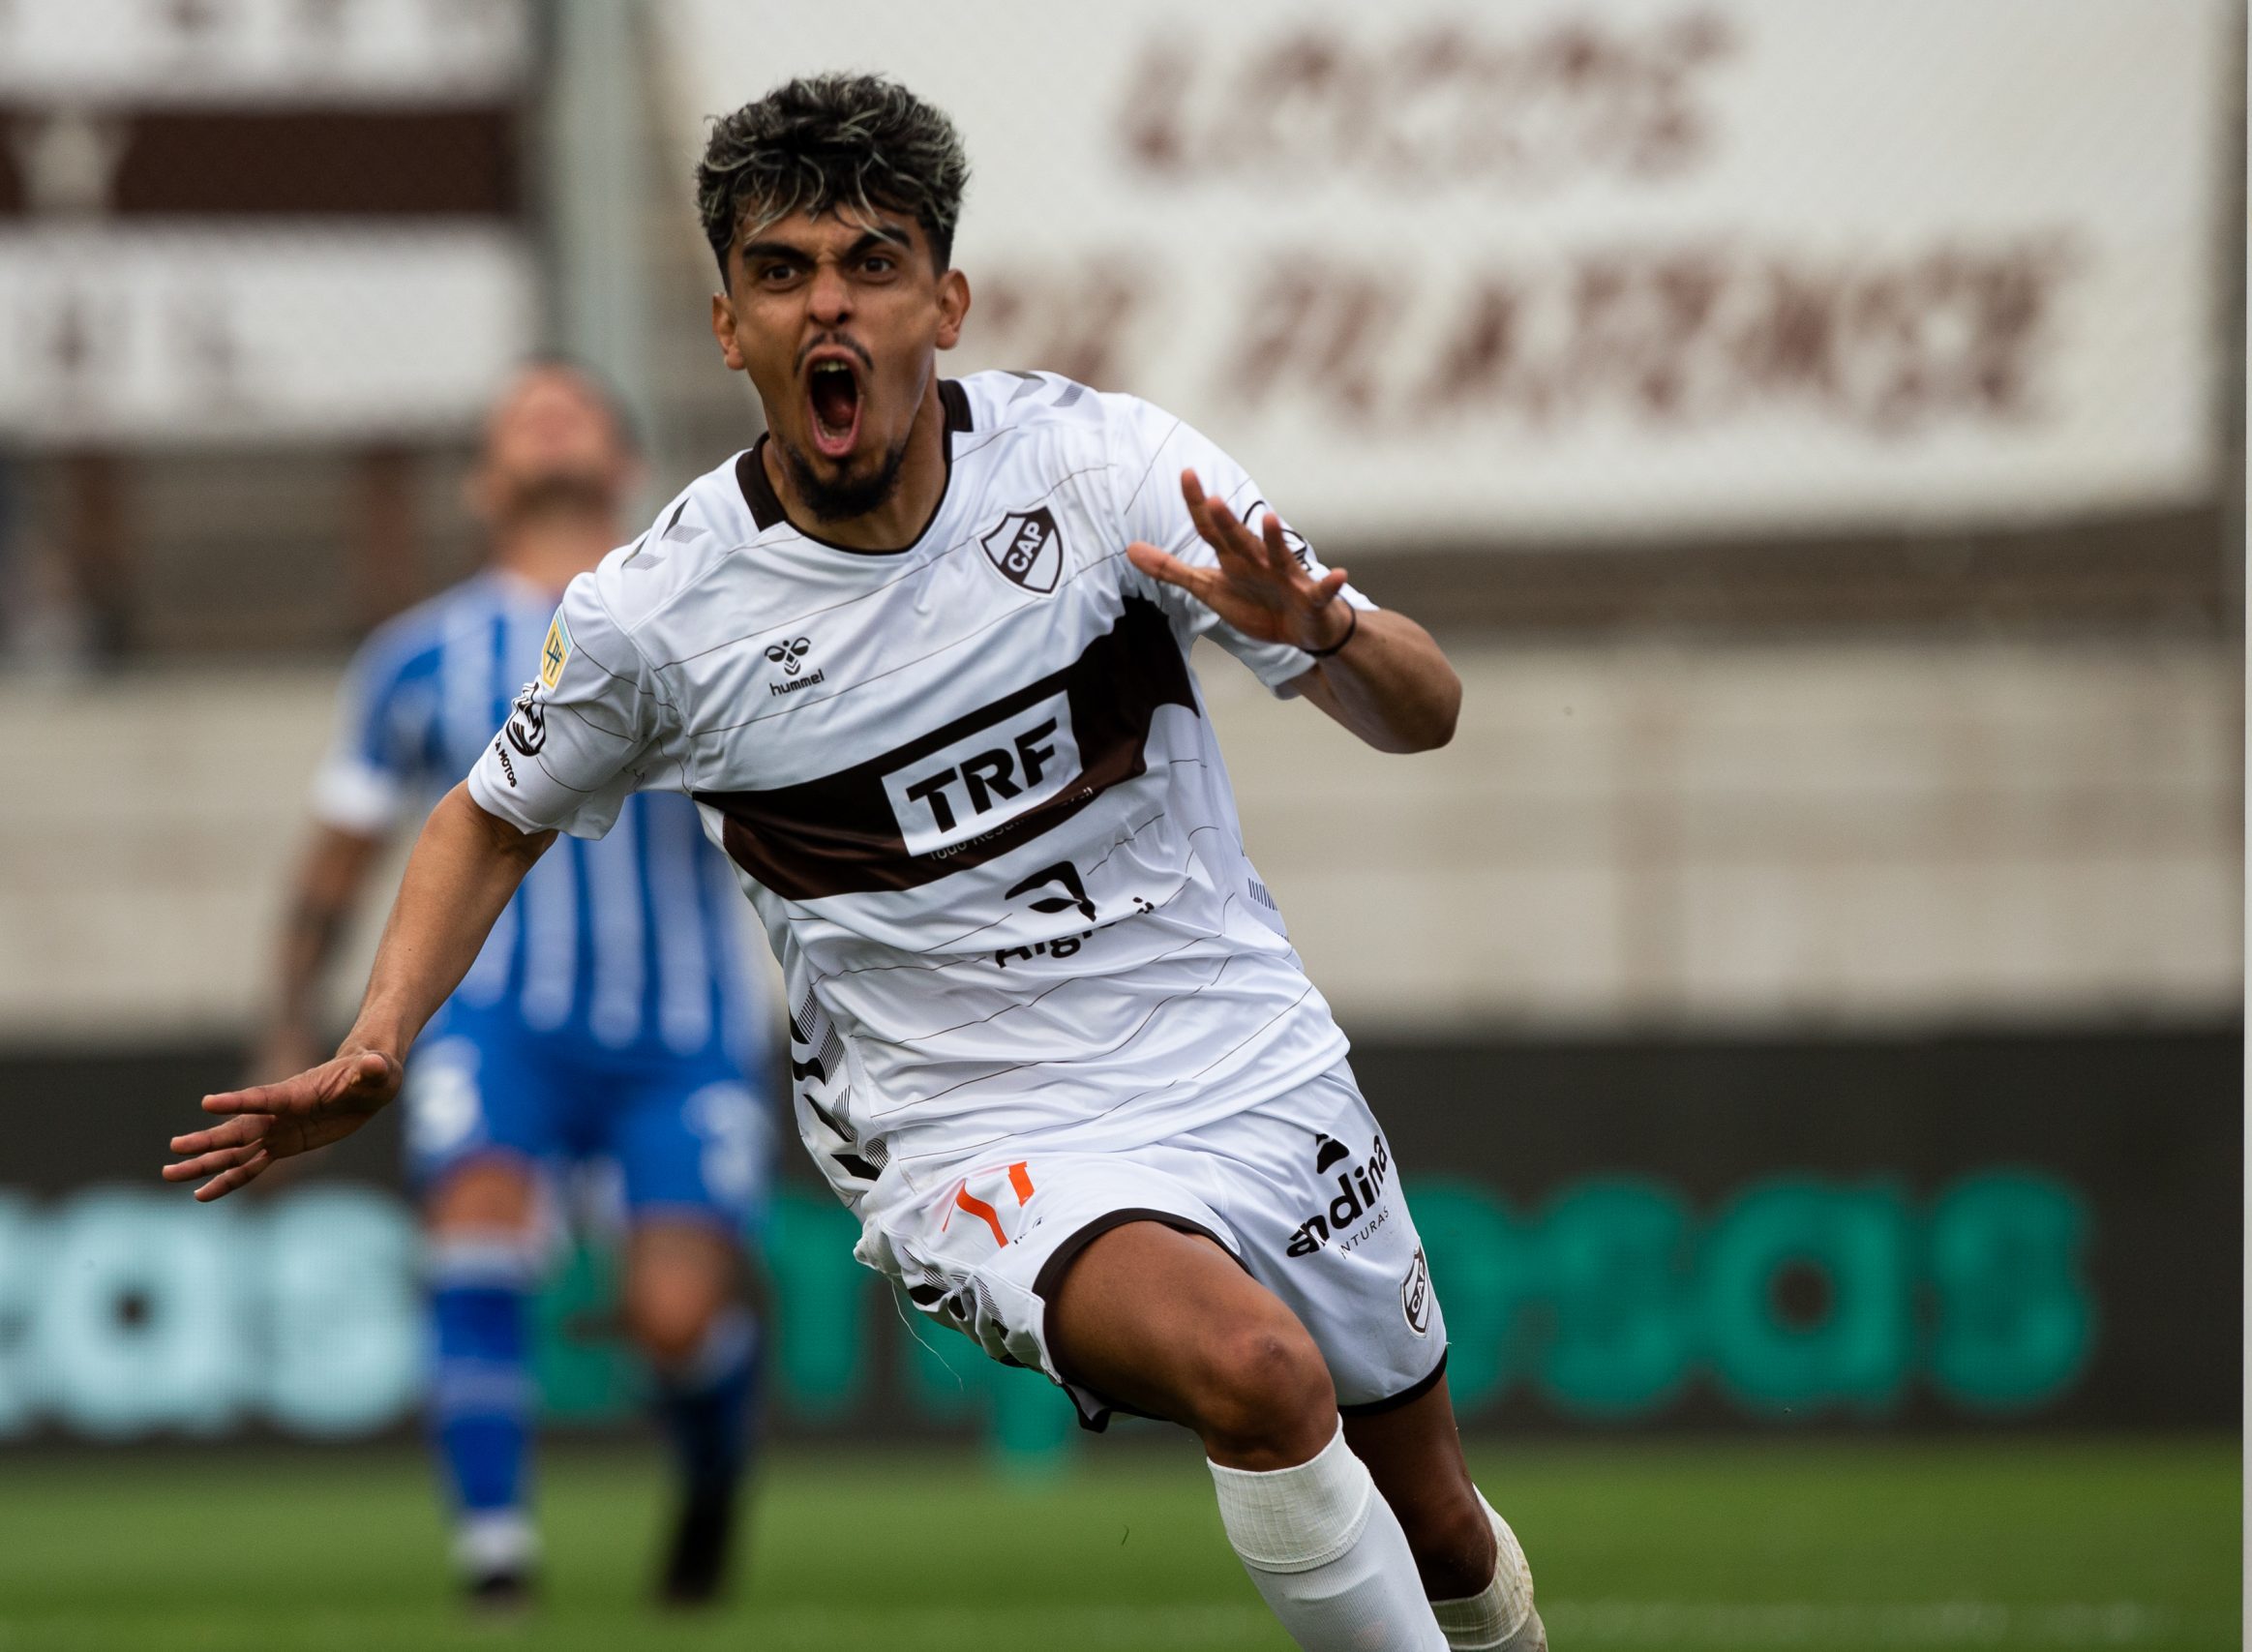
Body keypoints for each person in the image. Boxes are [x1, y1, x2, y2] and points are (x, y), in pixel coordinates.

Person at [171, 75, 1545, 1652]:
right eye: (783, 272)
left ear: (943, 301)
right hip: (969, 1125)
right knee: (1258, 1375)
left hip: (1240, 1054)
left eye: (874, 265)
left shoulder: (1104, 472)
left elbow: (1425, 713)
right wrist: (375, 1038)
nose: (832, 307)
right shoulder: (658, 615)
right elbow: (486, 812)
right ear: (727, 324)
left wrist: (1338, 634)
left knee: (1436, 1516)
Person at [251, 364, 774, 1610]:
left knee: (674, 1320)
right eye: (519, 412)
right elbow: (340, 857)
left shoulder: (713, 618)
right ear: (485, 479)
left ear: (624, 461)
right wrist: (288, 1010)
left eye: (576, 404)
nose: (548, 417)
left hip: (681, 1027)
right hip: (494, 1024)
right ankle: (496, 1562)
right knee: (476, 1230)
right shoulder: (417, 659)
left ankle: (709, 1481)